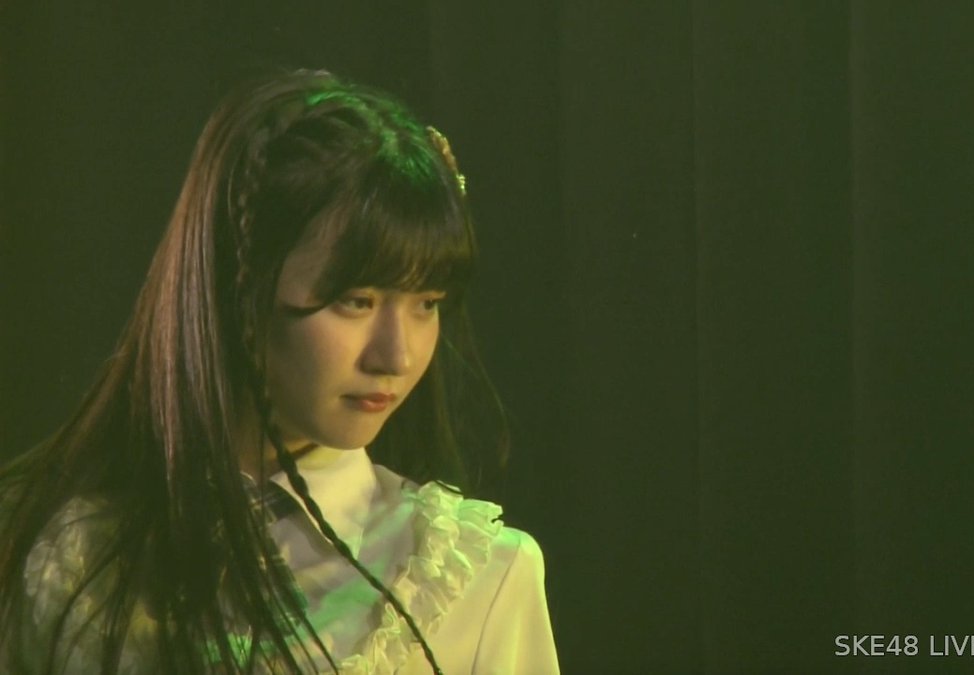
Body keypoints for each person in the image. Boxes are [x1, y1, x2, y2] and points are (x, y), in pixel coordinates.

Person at [0, 70, 558, 674]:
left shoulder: (475, 579)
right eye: (357, 301)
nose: (396, 357)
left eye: (427, 304)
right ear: (240, 288)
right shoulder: (67, 561)